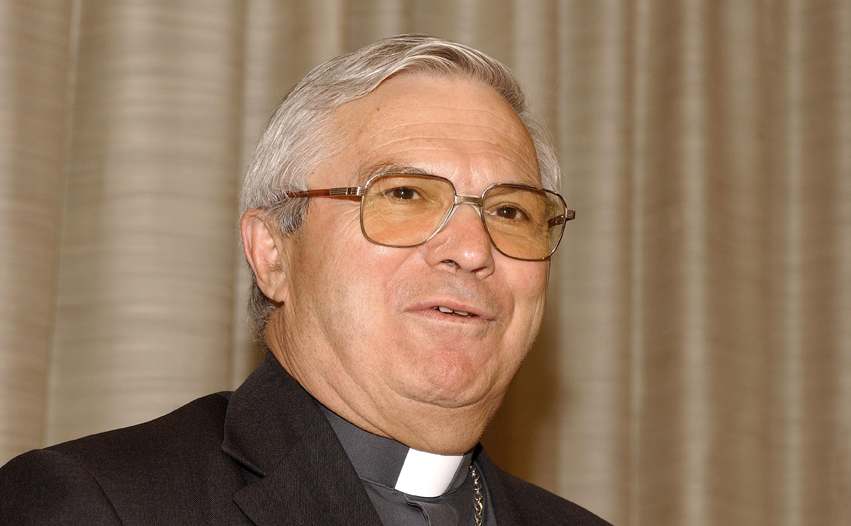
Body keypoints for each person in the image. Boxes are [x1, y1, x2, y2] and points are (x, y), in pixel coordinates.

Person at [0, 34, 609, 525]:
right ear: (273, 254)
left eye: (510, 211)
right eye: (403, 194)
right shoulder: (97, 504)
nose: (473, 250)